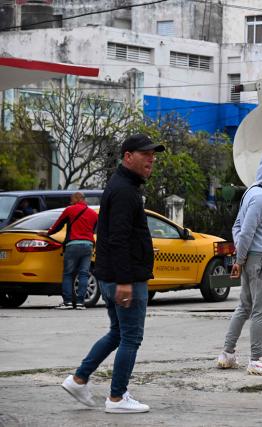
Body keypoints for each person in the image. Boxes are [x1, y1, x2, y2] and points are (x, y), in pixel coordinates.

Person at [60, 134, 164, 414]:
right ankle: (117, 398)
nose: (151, 159)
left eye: (153, 154)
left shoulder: (123, 186)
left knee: (117, 333)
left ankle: (78, 379)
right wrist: (125, 281)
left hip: (114, 275)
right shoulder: (124, 191)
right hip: (124, 277)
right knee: (131, 337)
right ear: (127, 156)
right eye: (145, 154)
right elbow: (117, 239)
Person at [216, 155, 262, 376]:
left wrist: (241, 257)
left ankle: (227, 354)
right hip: (261, 260)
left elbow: (237, 227)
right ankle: (256, 360)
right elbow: (246, 230)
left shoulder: (251, 193)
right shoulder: (260, 198)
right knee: (260, 309)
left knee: (244, 306)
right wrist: (239, 259)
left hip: (252, 258)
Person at [39, 192, 98, 310]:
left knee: (68, 274)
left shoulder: (69, 210)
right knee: (83, 273)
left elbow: (58, 226)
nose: (70, 200)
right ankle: (81, 303)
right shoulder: (93, 214)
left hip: (73, 245)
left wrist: (48, 233)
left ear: (78, 198)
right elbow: (94, 229)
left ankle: (68, 302)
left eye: (72, 198)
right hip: (88, 246)